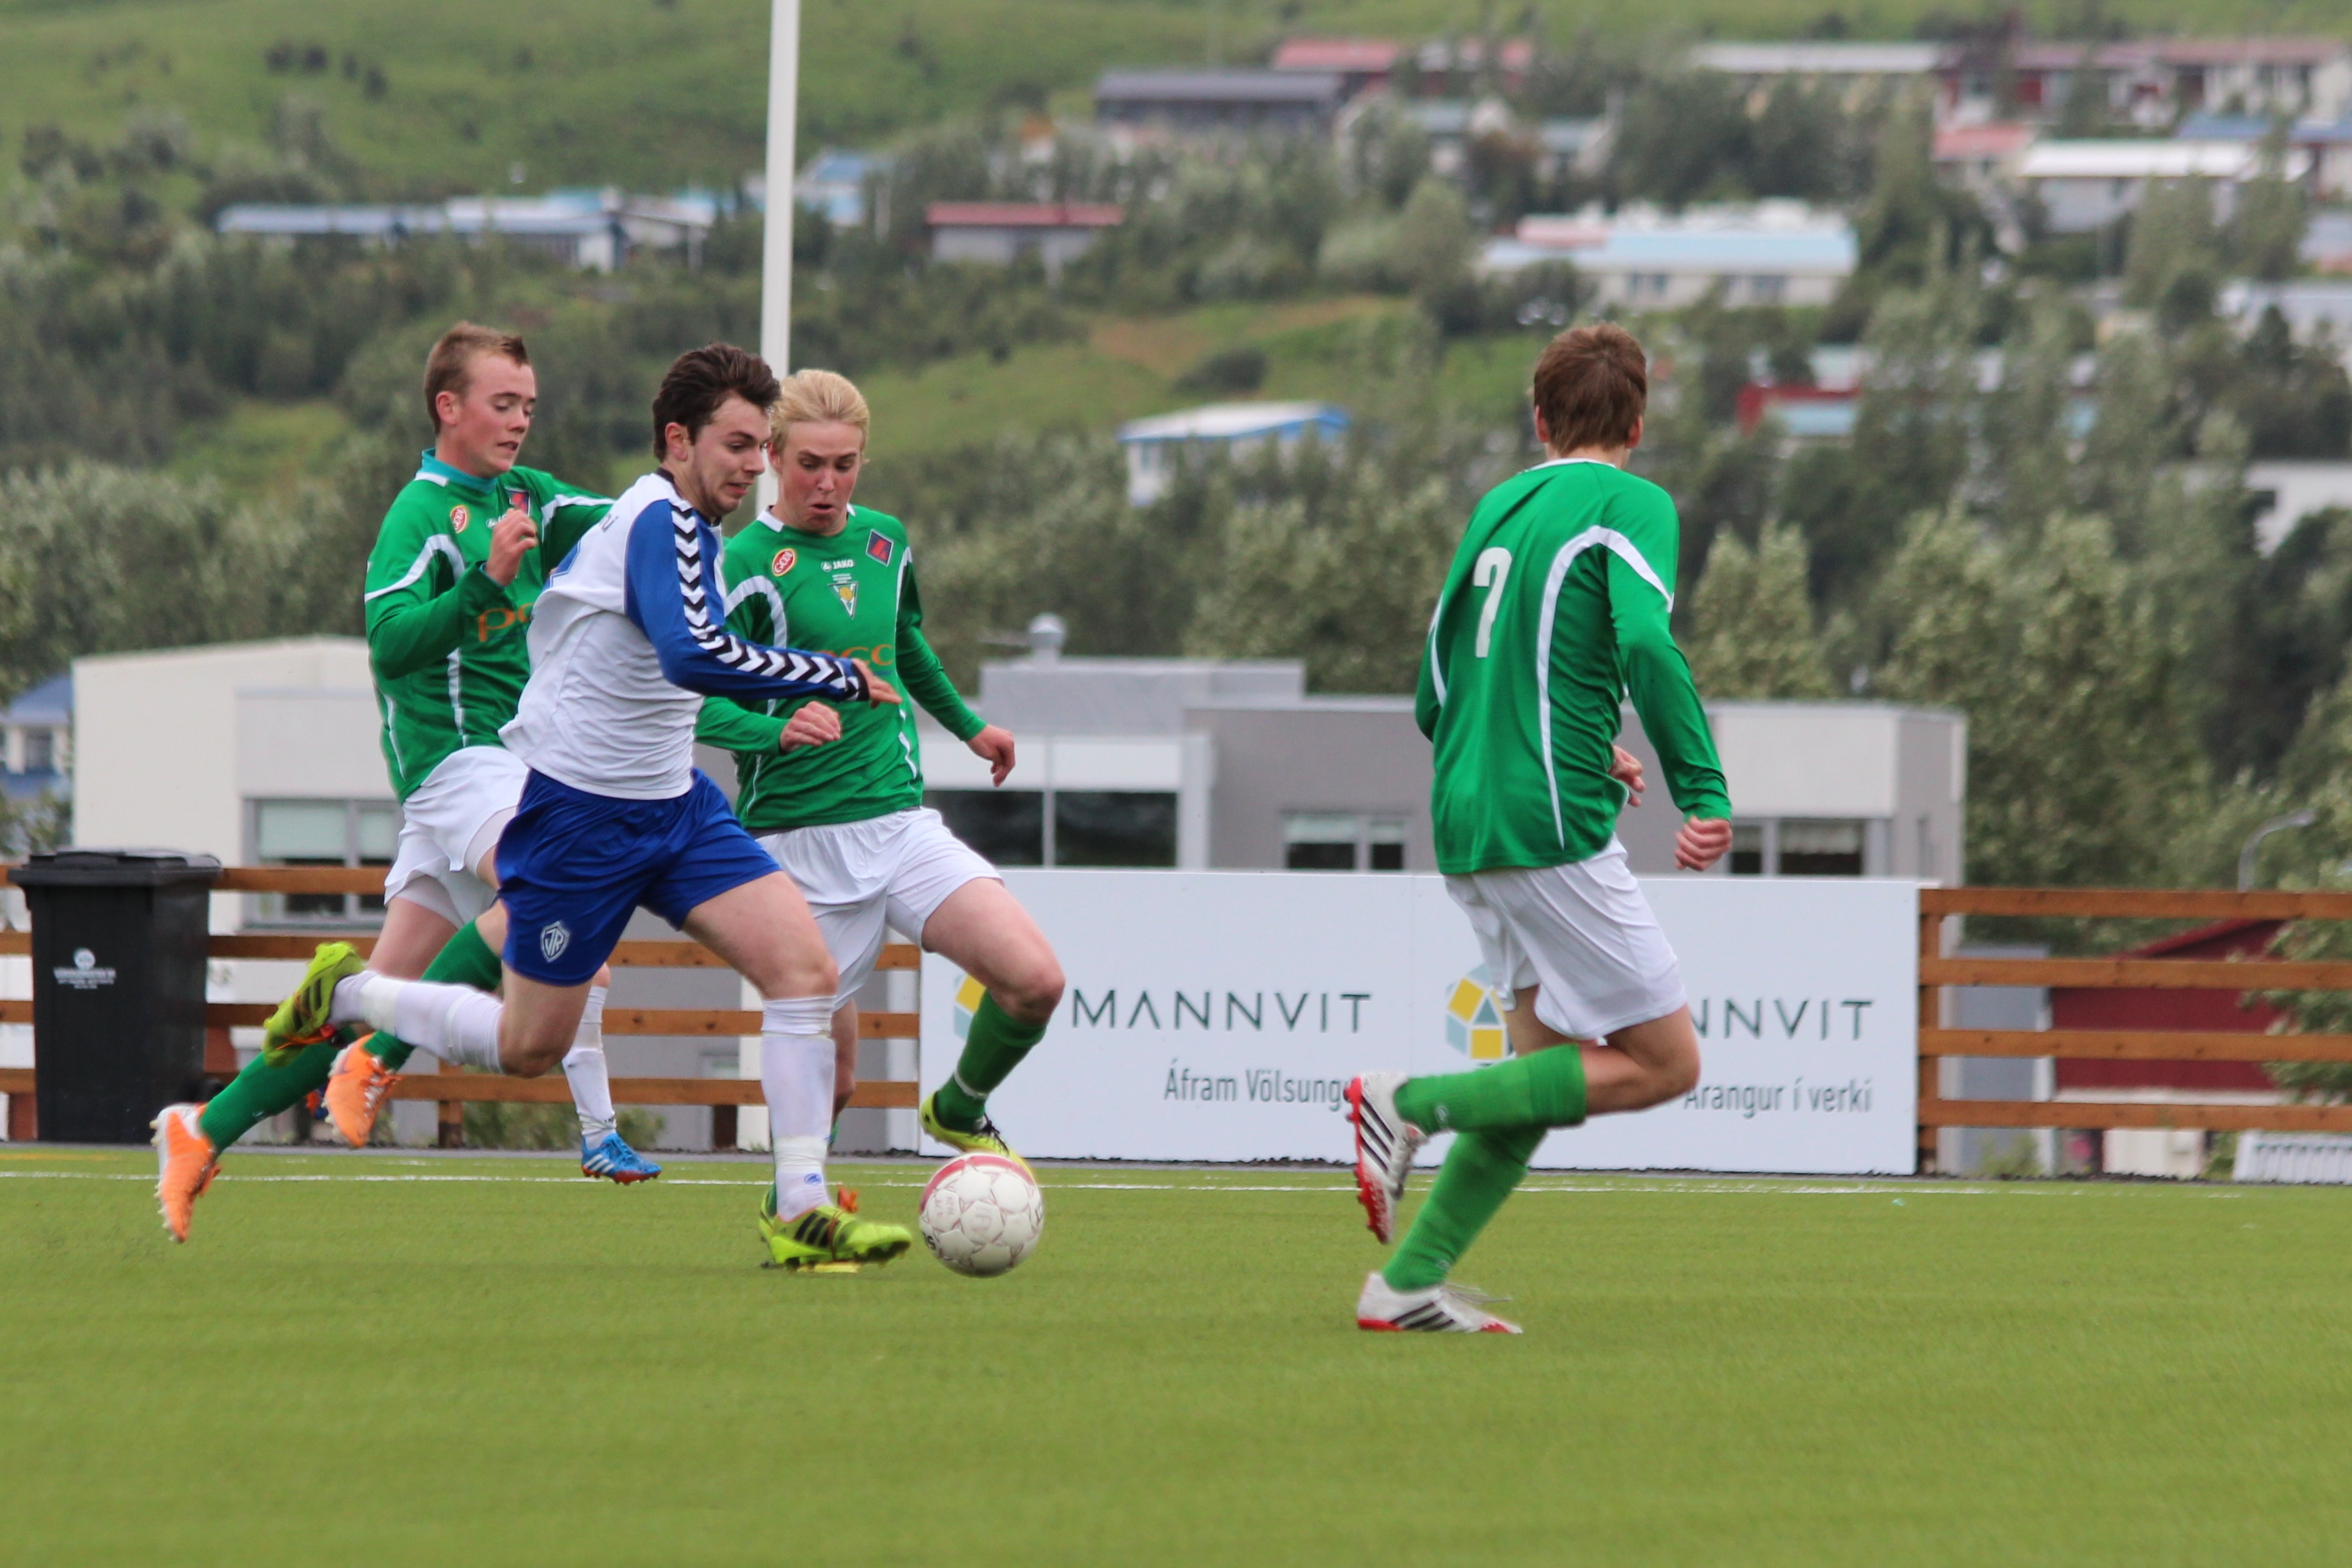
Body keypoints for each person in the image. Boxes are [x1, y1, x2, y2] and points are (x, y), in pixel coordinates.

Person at [257, 343, 920, 1271]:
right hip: (581, 817)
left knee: (803, 971)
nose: (753, 466)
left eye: (759, 447)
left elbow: (683, 657)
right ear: (678, 441)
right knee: (529, 1045)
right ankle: (351, 993)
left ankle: (802, 1205)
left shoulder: (686, 527)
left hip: (676, 809)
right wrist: (830, 674)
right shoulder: (658, 519)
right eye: (737, 445)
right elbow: (692, 655)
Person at [151, 323, 652, 1244]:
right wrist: (486, 582)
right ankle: (389, 1061)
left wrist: (694, 496)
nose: (520, 422)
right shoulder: (419, 516)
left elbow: (627, 521)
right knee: (554, 896)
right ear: (448, 407)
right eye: (503, 404)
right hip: (456, 763)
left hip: (495, 772)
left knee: (386, 986)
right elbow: (388, 646)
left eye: (529, 406)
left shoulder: (530, 496)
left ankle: (204, 1130)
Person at [1345, 322, 1734, 1334]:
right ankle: (1409, 1101)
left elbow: (1435, 692)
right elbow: (1643, 641)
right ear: (1637, 426)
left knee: (1539, 1074)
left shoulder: (1498, 506)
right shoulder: (1631, 504)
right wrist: (1701, 787)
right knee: (1666, 1062)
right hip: (1546, 822)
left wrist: (1583, 743)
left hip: (1467, 810)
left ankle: (1406, 1283)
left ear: (1538, 420)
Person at [695, 369, 1064, 1239]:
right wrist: (773, 729)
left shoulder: (886, 541)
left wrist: (970, 727)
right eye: (810, 464)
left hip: (898, 823)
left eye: (846, 464)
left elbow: (904, 646)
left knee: (1035, 981)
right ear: (774, 457)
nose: (828, 483)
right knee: (840, 1080)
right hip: (796, 845)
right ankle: (795, 1208)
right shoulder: (740, 564)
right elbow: (688, 699)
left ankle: (958, 1106)